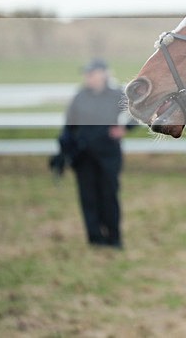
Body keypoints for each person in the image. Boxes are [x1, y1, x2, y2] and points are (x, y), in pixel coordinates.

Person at [57, 58, 132, 249]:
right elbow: (69, 125)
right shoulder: (80, 96)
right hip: (84, 155)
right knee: (88, 197)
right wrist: (64, 150)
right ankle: (95, 238)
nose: (88, 77)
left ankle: (114, 238)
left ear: (104, 73)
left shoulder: (117, 94)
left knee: (109, 195)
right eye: (86, 74)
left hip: (108, 153)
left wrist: (125, 128)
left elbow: (138, 111)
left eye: (92, 73)